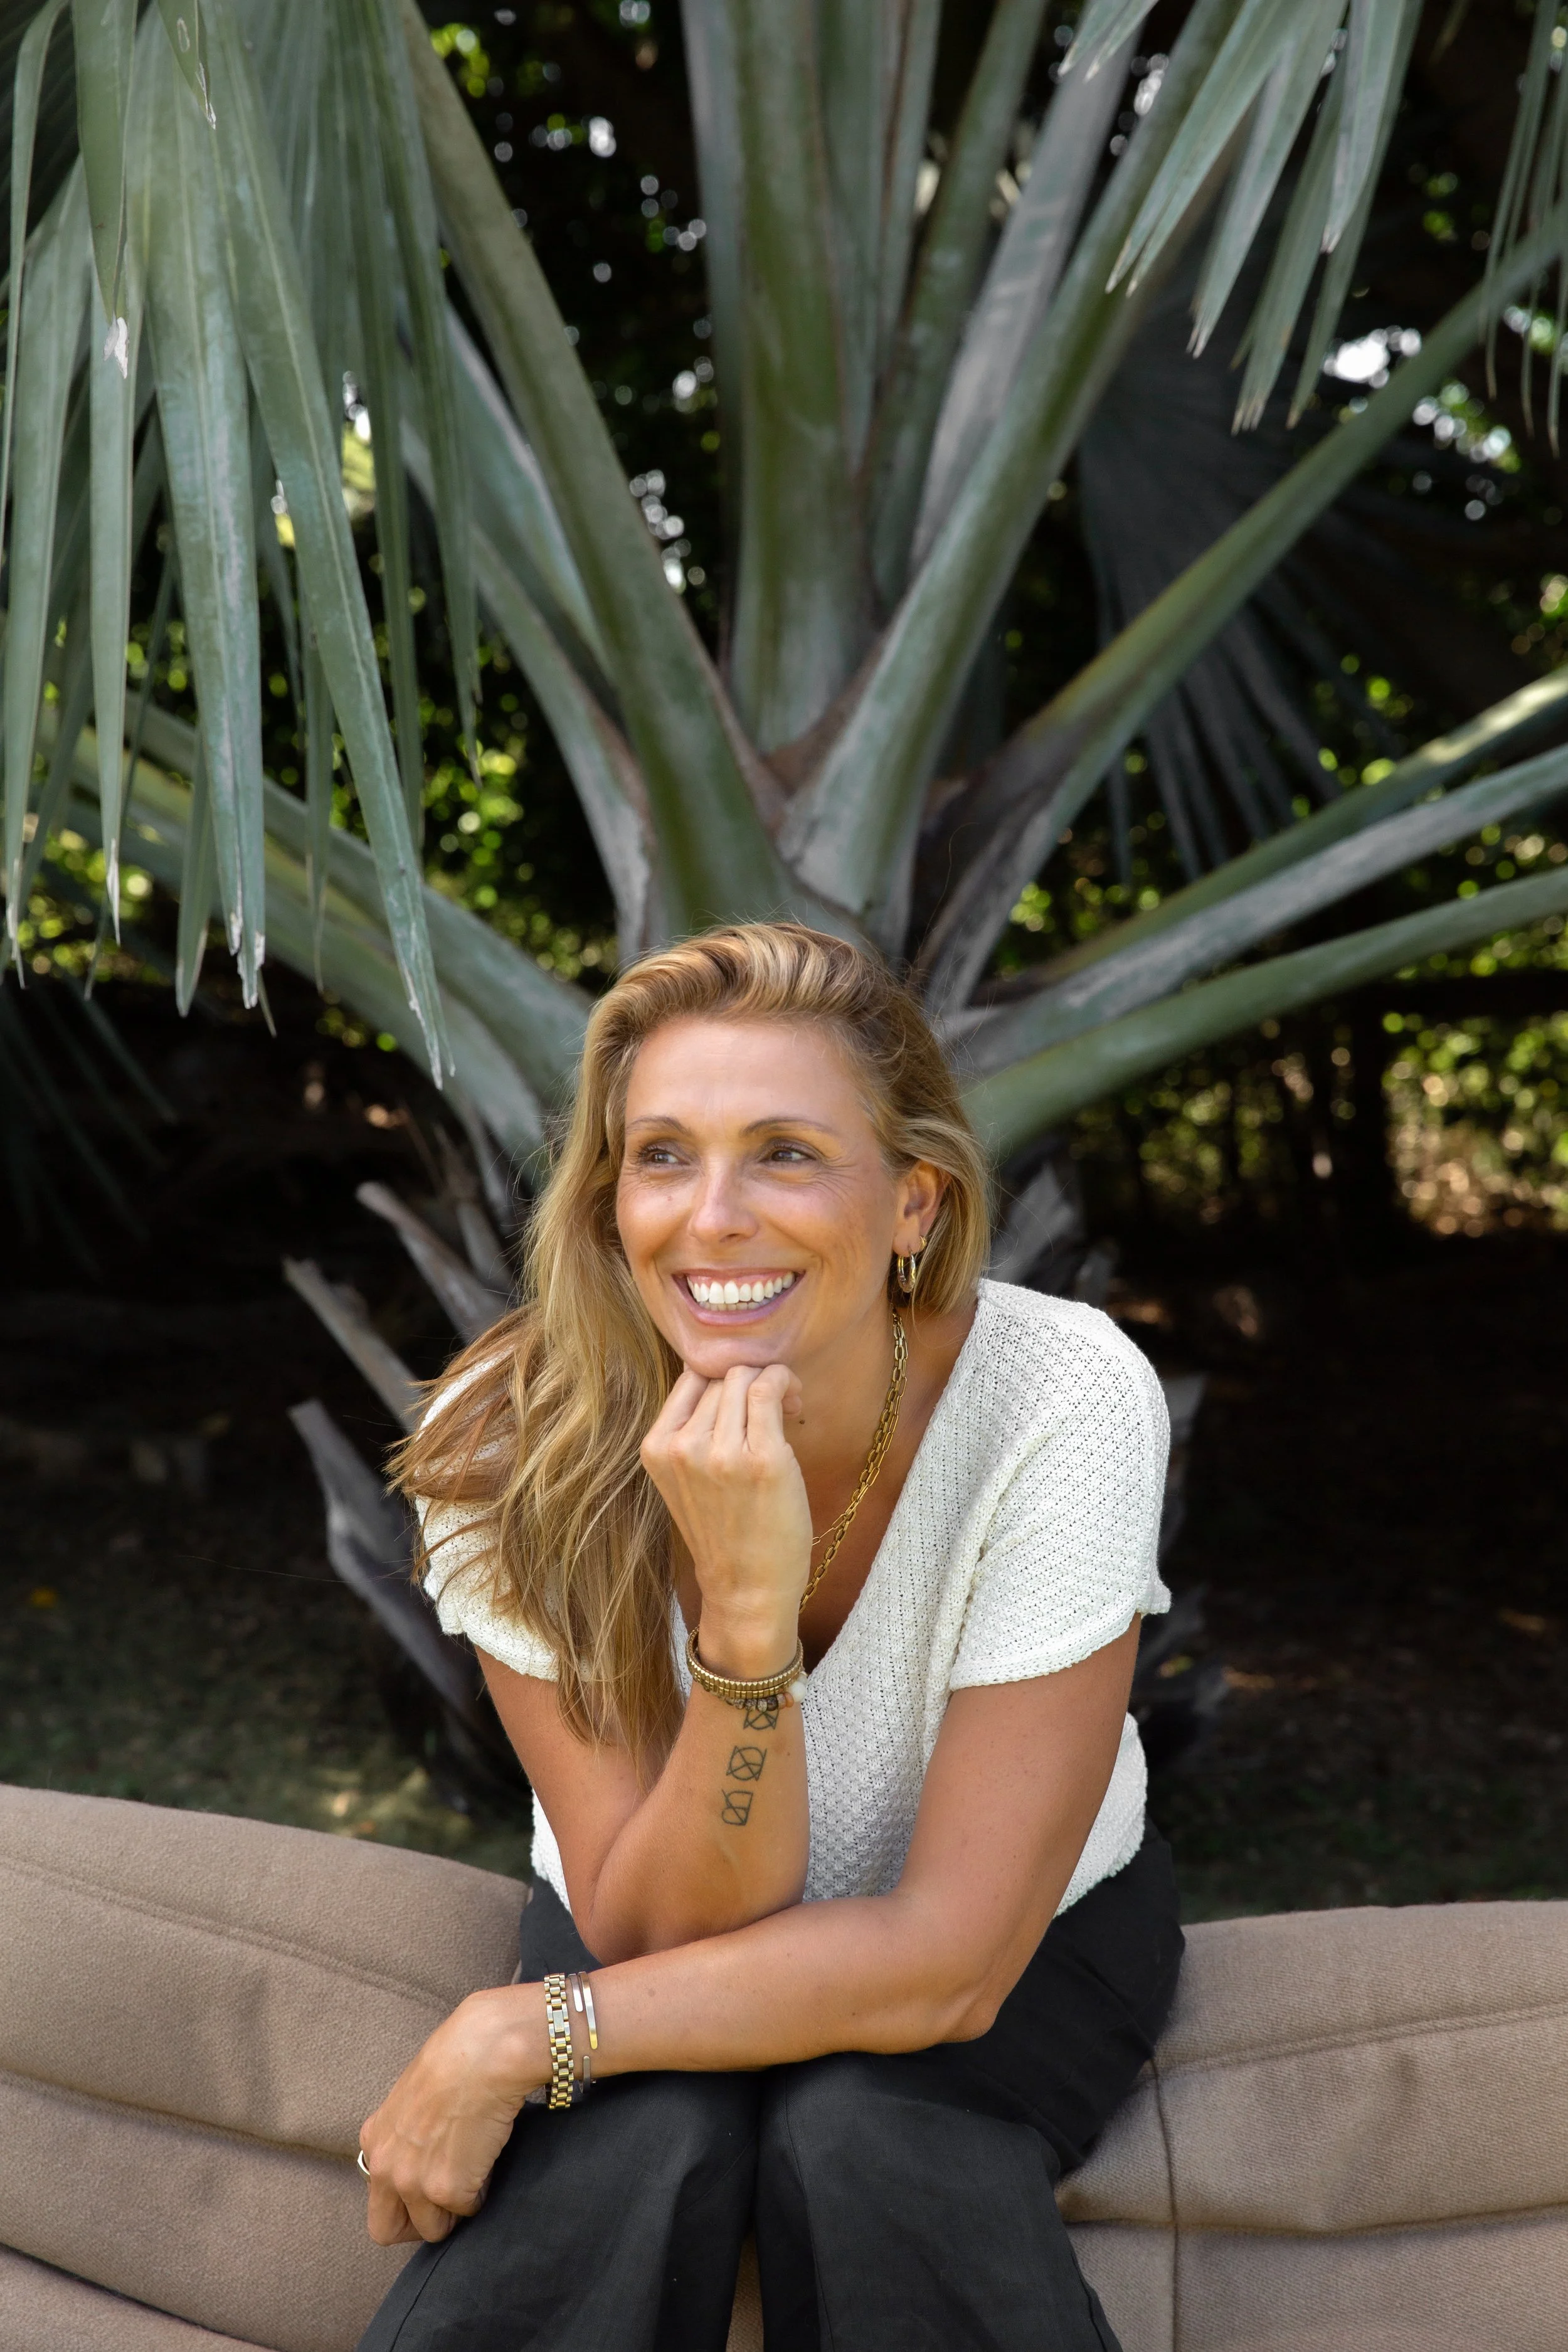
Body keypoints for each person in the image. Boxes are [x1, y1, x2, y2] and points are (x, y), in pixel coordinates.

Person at [356, 921, 1182, 2352]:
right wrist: (746, 1617)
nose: (714, 1216)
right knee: (637, 2136)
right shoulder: (506, 1441)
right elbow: (656, 1934)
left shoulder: (1058, 1395)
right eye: (662, 1155)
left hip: (1028, 1938)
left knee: (868, 2132)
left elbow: (948, 1960)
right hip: (647, 1908)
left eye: (785, 1154)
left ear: (914, 1202)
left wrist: (517, 2031)